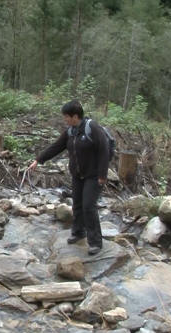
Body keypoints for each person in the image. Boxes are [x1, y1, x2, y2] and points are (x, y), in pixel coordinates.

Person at [28, 100, 109, 255]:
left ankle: (95, 242)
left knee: (88, 206)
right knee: (77, 204)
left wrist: (102, 175)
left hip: (93, 176)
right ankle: (78, 232)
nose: (64, 119)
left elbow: (104, 151)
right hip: (78, 175)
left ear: (75, 116)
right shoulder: (71, 131)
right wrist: (39, 160)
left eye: (66, 117)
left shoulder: (92, 128)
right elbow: (56, 146)